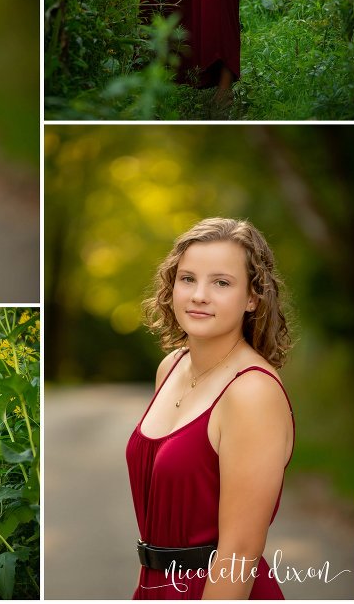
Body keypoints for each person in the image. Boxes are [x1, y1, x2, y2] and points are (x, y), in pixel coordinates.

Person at [126, 218, 294, 600]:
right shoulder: (170, 368)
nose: (199, 295)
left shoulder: (252, 392)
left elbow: (240, 552)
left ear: (253, 297)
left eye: (221, 282)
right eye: (187, 279)